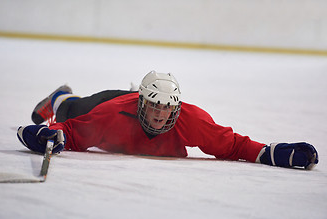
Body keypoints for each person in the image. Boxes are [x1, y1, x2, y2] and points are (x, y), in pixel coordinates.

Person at [17, 71, 319, 170]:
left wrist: (270, 152)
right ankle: (59, 97)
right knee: (74, 108)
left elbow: (231, 145)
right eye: (154, 107)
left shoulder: (192, 119)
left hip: (130, 99)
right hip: (110, 99)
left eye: (166, 108)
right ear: (141, 104)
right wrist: (49, 134)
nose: (161, 114)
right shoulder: (113, 114)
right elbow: (71, 132)